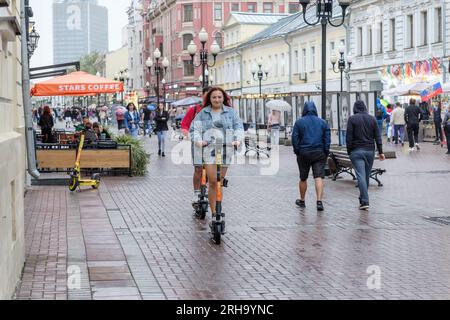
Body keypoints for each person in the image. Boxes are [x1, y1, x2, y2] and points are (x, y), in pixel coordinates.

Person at [191, 87, 244, 224]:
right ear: (210, 98)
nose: (217, 99)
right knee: (213, 181)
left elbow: (239, 127)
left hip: (226, 149)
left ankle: (217, 208)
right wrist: (198, 140)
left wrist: (237, 139)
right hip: (209, 150)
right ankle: (215, 213)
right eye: (214, 97)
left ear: (223, 98)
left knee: (219, 181)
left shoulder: (231, 112)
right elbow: (194, 129)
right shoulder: (203, 113)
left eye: (219, 97)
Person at [346, 101, 385, 211]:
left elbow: (348, 137)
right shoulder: (372, 119)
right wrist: (381, 151)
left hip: (356, 151)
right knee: (365, 176)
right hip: (369, 151)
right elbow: (377, 136)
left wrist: (349, 151)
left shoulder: (352, 119)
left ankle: (365, 201)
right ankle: (363, 198)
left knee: (361, 176)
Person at [292, 101, 330, 212]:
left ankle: (302, 200)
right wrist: (325, 151)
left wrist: (297, 150)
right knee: (318, 177)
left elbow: (295, 138)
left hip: (303, 153)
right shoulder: (323, 122)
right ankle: (319, 201)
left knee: (303, 178)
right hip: (319, 153)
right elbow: (327, 139)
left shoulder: (299, 123)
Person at [181, 87, 210, 204]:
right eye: (207, 95)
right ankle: (196, 192)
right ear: (202, 95)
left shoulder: (217, 110)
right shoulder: (194, 110)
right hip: (197, 143)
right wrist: (186, 134)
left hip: (212, 144)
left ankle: (206, 187)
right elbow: (185, 124)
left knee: (211, 170)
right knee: (198, 169)